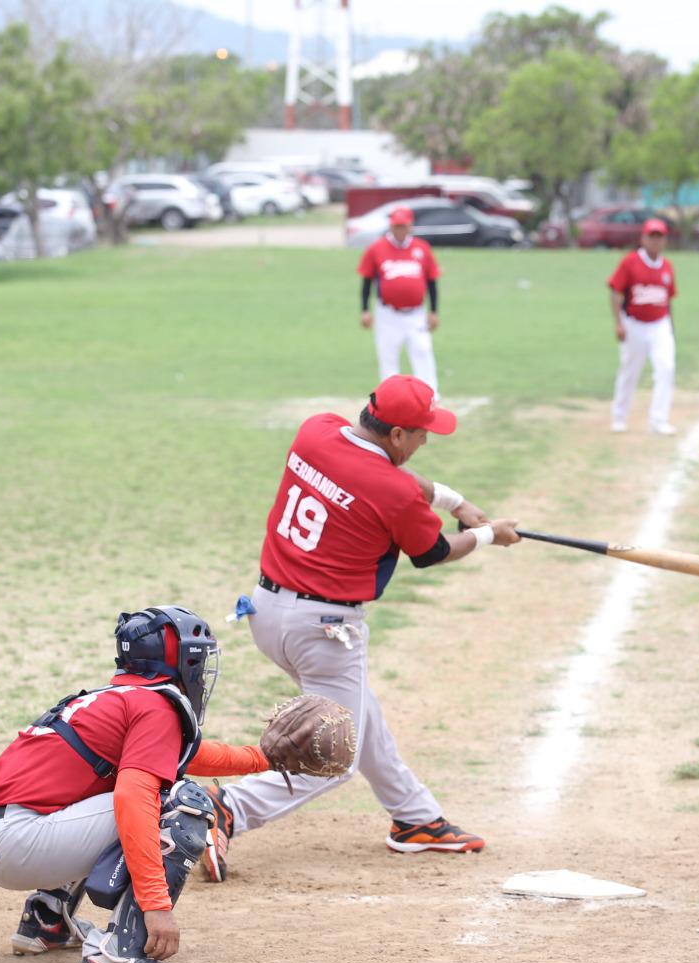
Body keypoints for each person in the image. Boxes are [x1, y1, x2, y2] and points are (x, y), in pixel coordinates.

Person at [201, 375, 520, 883]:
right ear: (396, 435)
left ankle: (415, 819)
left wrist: (453, 500)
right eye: (420, 434)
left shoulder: (317, 431)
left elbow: (380, 478)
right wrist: (487, 535)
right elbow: (433, 552)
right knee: (336, 754)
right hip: (324, 631)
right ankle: (225, 807)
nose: (424, 442)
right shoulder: (393, 490)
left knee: (359, 712)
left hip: (267, 610)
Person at [0, 606, 284, 963]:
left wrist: (266, 758)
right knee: (179, 801)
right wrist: (156, 906)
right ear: (183, 662)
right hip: (17, 841)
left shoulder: (121, 700)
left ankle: (47, 920)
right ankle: (119, 955)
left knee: (127, 788)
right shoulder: (154, 707)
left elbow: (184, 757)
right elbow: (135, 799)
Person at [607, 217, 679, 435]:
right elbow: (615, 293)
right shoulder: (630, 262)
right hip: (634, 324)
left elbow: (668, 300)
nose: (655, 241)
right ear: (643, 238)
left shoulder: (667, 266)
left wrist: (671, 327)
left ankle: (659, 420)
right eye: (651, 236)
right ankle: (619, 415)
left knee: (666, 369)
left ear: (665, 240)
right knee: (630, 371)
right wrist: (619, 323)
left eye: (659, 237)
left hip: (660, 325)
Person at [358, 207, 440, 393]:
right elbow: (367, 281)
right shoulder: (377, 248)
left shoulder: (422, 248)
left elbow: (432, 281)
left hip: (416, 313)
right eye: (396, 226)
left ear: (410, 226)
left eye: (403, 226)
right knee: (388, 356)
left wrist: (434, 311)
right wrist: (365, 310)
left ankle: (430, 395)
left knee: (422, 351)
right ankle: (390, 398)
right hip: (388, 313)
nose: (399, 230)